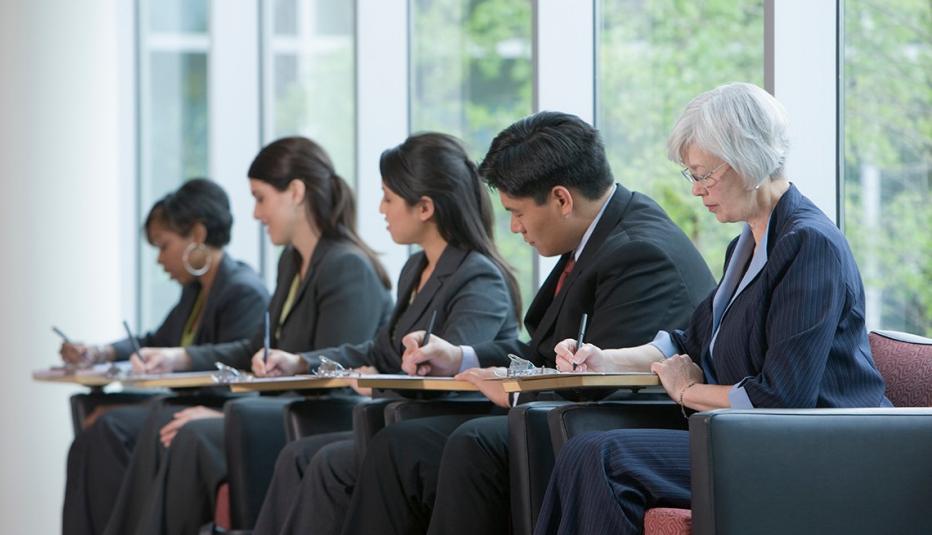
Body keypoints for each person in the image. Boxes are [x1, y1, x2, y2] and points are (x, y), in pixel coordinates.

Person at [535, 82, 891, 535]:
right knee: (586, 451)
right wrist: (604, 358)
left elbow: (781, 399)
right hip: (748, 439)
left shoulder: (808, 243)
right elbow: (688, 344)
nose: (697, 190)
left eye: (703, 174)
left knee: (601, 457)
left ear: (748, 159)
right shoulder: (745, 245)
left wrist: (687, 394)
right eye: (692, 175)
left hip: (819, 450)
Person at [342, 111, 717, 535]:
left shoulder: (639, 253)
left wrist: (516, 393)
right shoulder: (597, 237)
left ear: (561, 199)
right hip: (565, 412)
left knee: (470, 442)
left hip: (621, 425)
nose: (514, 227)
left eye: (516, 212)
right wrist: (459, 357)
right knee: (399, 444)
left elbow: (607, 381)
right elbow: (544, 351)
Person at [101, 136, 393, 535]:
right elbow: (254, 348)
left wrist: (228, 413)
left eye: (260, 198)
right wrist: (179, 357)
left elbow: (332, 381)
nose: (255, 214)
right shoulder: (292, 263)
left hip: (321, 417)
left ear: (295, 192)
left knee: (191, 434)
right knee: (166, 418)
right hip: (281, 409)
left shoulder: (347, 268)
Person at [250, 132, 522, 535]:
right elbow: (380, 349)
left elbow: (452, 382)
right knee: (299, 454)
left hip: (443, 431)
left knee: (326, 462)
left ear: (425, 207)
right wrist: (300, 361)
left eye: (389, 199)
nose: (380, 209)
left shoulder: (478, 275)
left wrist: (378, 385)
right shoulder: (414, 270)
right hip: (399, 421)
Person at [62, 178, 270, 535]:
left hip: (213, 406)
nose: (159, 259)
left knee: (109, 429)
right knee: (91, 423)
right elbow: (155, 340)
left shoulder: (242, 291)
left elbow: (238, 359)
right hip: (175, 401)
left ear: (198, 235)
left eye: (164, 246)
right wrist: (100, 351)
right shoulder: (194, 293)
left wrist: (178, 358)